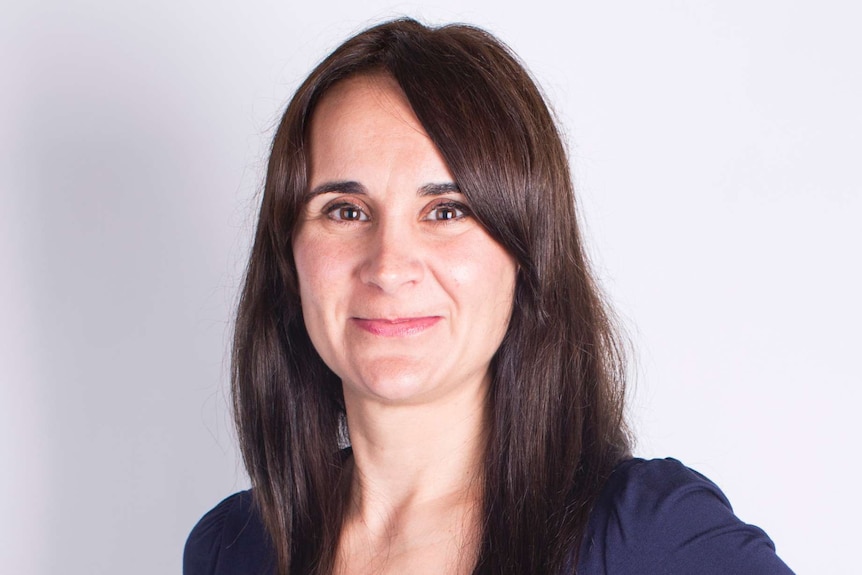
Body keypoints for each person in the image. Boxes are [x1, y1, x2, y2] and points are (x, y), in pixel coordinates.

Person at [184, 18, 794, 575]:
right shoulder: (231, 548)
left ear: (526, 256)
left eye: (447, 211)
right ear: (287, 256)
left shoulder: (649, 535)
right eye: (345, 210)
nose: (389, 267)